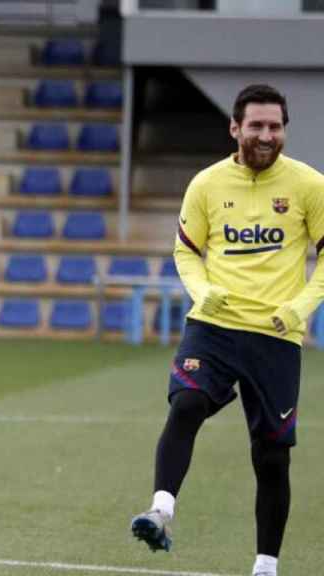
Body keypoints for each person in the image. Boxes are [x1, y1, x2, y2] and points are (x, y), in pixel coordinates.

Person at [130, 84, 324, 576]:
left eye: (275, 126)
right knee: (187, 403)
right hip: (212, 327)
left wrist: (302, 306)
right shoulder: (206, 184)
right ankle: (161, 510)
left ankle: (265, 566)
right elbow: (185, 250)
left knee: (272, 456)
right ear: (235, 128)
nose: (266, 135)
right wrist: (201, 291)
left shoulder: (309, 185)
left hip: (275, 339)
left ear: (284, 130)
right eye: (256, 125)